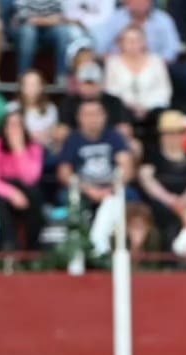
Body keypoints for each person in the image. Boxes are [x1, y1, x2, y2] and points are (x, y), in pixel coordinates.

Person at [58, 97, 135, 254]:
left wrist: (112, 188)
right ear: (79, 118)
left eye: (96, 114)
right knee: (66, 198)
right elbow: (64, 172)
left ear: (104, 116)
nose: (92, 118)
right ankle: (83, 248)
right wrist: (89, 190)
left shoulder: (114, 137)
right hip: (83, 189)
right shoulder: (73, 140)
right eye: (87, 114)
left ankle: (126, 248)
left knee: (132, 198)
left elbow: (127, 166)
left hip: (112, 188)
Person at [0, 110, 45, 250]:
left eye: (18, 125)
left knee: (35, 195)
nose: (14, 129)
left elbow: (32, 178)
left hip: (24, 190)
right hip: (0, 191)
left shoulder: (34, 147)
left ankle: (33, 247)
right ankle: (9, 246)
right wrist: (12, 193)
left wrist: (19, 150)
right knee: (0, 202)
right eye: (11, 125)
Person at [138, 109, 186, 238]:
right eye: (169, 133)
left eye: (178, 133)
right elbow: (147, 180)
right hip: (161, 202)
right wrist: (169, 200)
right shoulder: (152, 156)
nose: (173, 137)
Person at [104, 24, 172, 141]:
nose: (133, 44)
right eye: (129, 41)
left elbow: (164, 90)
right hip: (124, 109)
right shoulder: (113, 63)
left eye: (136, 40)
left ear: (144, 42)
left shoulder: (157, 61)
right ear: (121, 43)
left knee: (162, 117)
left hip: (152, 109)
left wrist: (145, 107)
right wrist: (132, 105)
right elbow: (111, 91)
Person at [92, 0, 181, 65]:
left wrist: (155, 64)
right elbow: (100, 48)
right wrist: (114, 61)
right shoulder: (115, 19)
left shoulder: (164, 20)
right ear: (126, 2)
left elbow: (172, 49)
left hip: (156, 67)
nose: (139, 3)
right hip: (119, 66)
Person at [13, 0, 82, 81]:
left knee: (63, 32)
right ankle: (23, 75)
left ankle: (62, 76)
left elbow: (58, 17)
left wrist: (38, 20)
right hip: (25, 30)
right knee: (29, 33)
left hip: (49, 30)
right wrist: (48, 20)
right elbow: (23, 16)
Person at [17, 70, 59, 152]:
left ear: (41, 87)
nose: (31, 88)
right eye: (27, 84)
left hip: (45, 150)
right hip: (20, 151)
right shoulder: (13, 108)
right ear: (22, 87)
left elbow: (53, 133)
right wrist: (30, 137)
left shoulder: (51, 108)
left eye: (34, 84)